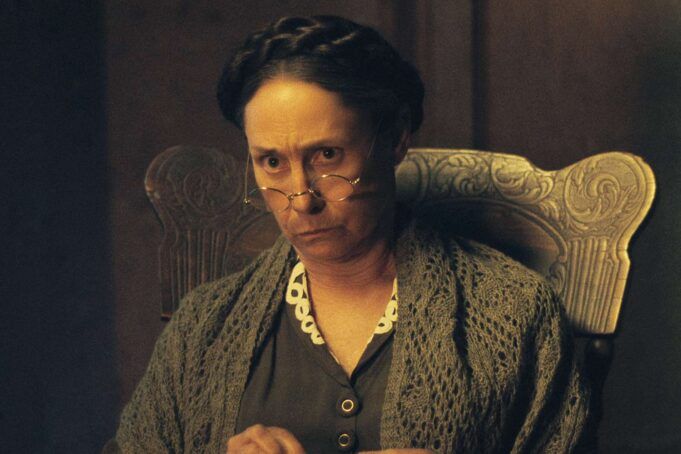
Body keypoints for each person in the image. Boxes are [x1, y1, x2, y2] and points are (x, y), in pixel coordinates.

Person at [109, 15, 591, 453]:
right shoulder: (202, 328)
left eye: (327, 156)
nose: (301, 199)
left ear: (396, 138)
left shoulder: (514, 313)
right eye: (272, 162)